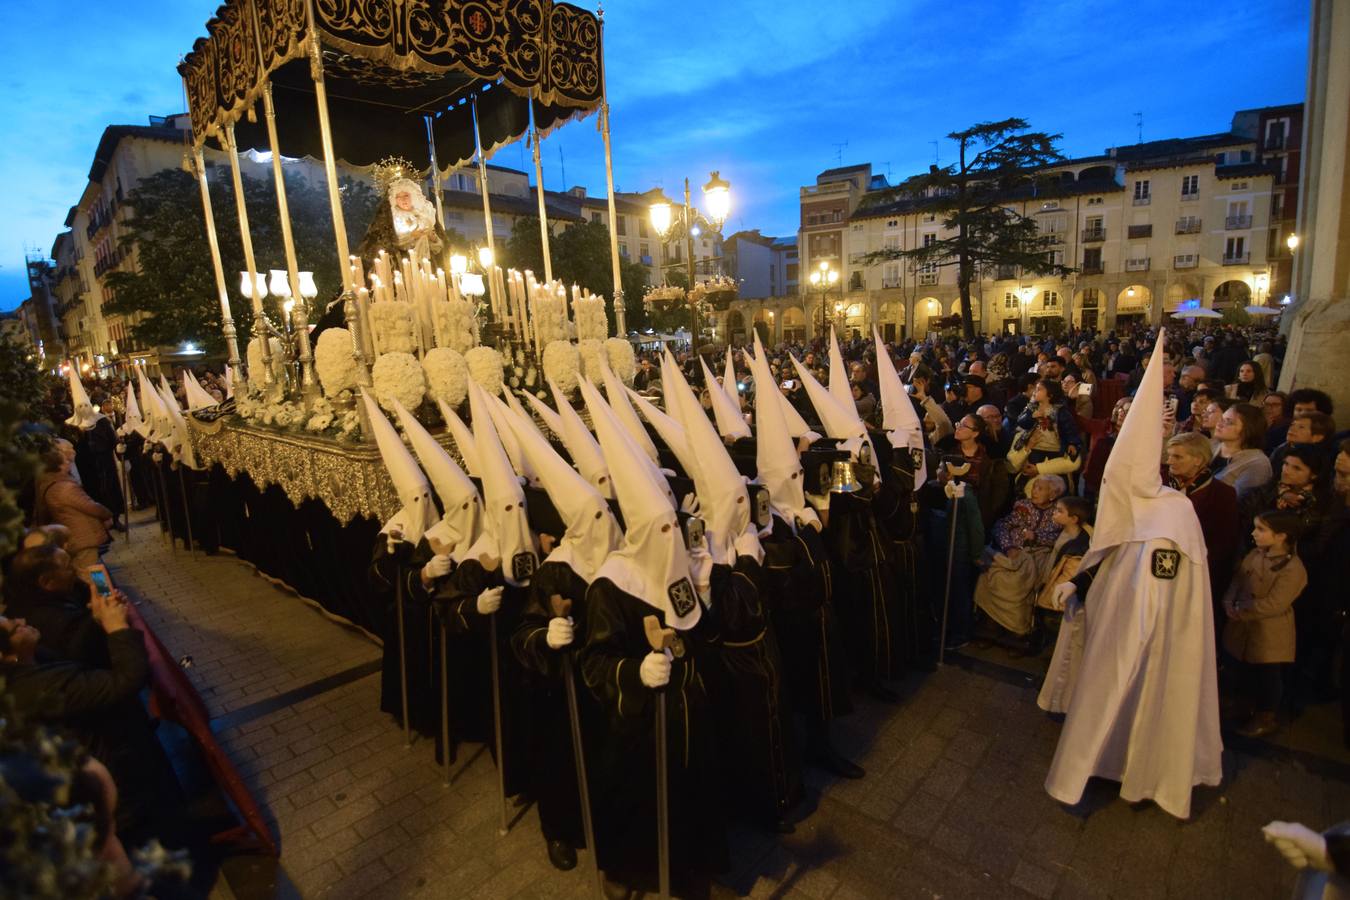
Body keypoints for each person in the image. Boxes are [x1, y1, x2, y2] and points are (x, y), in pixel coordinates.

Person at [1045, 330, 1221, 820]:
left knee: (1140, 706)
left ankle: (1142, 775)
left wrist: (1129, 626)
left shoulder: (1170, 517)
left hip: (1150, 640)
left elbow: (1160, 589)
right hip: (1116, 623)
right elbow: (1108, 553)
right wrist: (1080, 583)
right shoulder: (1137, 510)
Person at [576, 378, 728, 899]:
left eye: (674, 529)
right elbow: (594, 665)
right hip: (637, 734)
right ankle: (630, 875)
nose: (671, 541)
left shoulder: (675, 564)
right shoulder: (611, 585)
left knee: (689, 804)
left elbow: (695, 629)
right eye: (660, 532)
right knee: (643, 813)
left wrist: (703, 592)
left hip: (689, 722)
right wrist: (634, 673)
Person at [1222, 510, 1308, 737]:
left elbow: (1276, 603)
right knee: (1242, 669)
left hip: (1268, 632)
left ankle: (1265, 715)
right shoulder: (1254, 555)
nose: (1254, 533)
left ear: (1281, 536)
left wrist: (1244, 610)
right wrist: (1229, 601)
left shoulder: (1293, 568)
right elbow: (1238, 579)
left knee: (1267, 675)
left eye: (1261, 529)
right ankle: (1242, 704)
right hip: (1242, 627)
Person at [974, 474, 1066, 646]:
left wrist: (1037, 536)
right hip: (1011, 551)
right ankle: (991, 623)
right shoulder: (1022, 506)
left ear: (1052, 495)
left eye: (1040, 488)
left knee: (1021, 579)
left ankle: (1017, 629)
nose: (1034, 491)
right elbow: (1001, 525)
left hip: (1037, 553)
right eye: (1034, 486)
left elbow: (1059, 538)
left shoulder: (1058, 513)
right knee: (989, 570)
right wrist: (1009, 547)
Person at [1166, 432, 1241, 609]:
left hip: (1198, 574)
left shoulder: (1223, 494)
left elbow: (1223, 544)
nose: (1169, 461)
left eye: (1177, 456)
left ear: (1198, 460)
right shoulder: (1159, 483)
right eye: (1169, 455)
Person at [1036, 496, 1093, 713]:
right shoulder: (1069, 535)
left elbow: (1064, 573)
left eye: (1059, 511)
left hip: (1058, 602)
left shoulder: (1078, 547)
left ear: (1073, 519)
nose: (1054, 513)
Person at [32, 447, 112, 576]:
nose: (69, 462)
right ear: (58, 467)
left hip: (75, 537)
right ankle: (103, 596)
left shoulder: (49, 484)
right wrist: (107, 513)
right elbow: (90, 506)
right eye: (65, 461)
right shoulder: (64, 488)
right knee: (92, 575)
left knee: (88, 571)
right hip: (83, 537)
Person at [1008, 378, 1083, 496]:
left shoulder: (1060, 412)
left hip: (1056, 450)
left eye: (1039, 389)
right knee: (1027, 481)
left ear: (1050, 395)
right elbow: (1021, 422)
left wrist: (1072, 443)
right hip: (1035, 449)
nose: (1034, 392)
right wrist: (1032, 417)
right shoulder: (1031, 408)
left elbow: (1069, 429)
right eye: (1034, 389)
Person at [1211, 403, 1273, 500]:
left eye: (1228, 422)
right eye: (1221, 419)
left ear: (1248, 429)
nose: (1219, 424)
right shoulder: (1212, 446)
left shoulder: (1257, 464)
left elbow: (1236, 500)